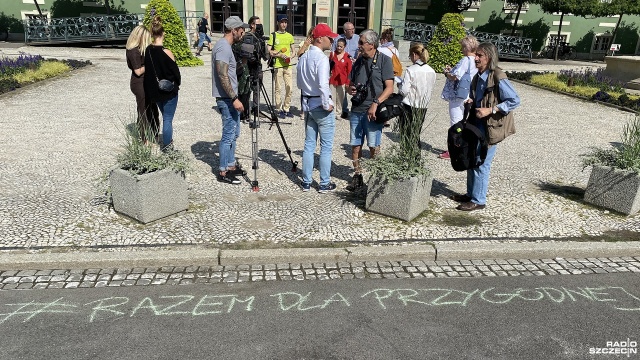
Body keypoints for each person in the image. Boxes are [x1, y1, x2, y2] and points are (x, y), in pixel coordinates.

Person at [451, 42, 520, 211]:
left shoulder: (497, 75)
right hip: (477, 126)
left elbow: (514, 100)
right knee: (472, 159)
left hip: (490, 128)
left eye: (480, 55)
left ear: (489, 57)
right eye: (476, 55)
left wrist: (491, 109)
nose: (476, 58)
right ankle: (470, 194)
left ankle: (478, 200)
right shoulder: (478, 75)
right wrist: (473, 101)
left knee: (482, 163)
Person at [345, 29, 395, 192]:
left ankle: (375, 177)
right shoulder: (358, 60)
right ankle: (357, 175)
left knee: (373, 146)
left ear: (371, 45)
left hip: (373, 112)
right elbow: (349, 84)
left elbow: (389, 88)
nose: (358, 45)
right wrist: (349, 89)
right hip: (357, 109)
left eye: (361, 43)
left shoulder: (384, 60)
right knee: (355, 146)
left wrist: (376, 102)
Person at [297, 23, 339, 193]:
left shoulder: (304, 56)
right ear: (320, 39)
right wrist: (327, 103)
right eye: (329, 37)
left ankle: (306, 182)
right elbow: (323, 84)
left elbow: (299, 82)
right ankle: (324, 183)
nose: (332, 40)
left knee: (309, 145)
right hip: (320, 105)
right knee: (326, 147)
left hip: (308, 104)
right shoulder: (321, 58)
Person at [212, 16, 251, 185]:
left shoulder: (227, 47)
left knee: (234, 133)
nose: (243, 32)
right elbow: (222, 74)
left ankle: (231, 165)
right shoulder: (223, 48)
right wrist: (234, 98)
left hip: (230, 98)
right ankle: (223, 171)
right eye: (241, 29)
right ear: (233, 30)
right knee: (228, 135)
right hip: (227, 99)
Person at [143, 16, 181, 151]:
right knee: (168, 119)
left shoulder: (148, 50)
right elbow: (176, 73)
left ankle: (167, 141)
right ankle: (167, 146)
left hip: (156, 91)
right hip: (169, 90)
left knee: (165, 116)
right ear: (163, 33)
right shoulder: (167, 52)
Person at [439, 35, 479, 159]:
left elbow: (456, 76)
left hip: (459, 95)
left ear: (467, 48)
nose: (462, 49)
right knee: (465, 122)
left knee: (456, 122)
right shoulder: (477, 61)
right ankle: (464, 147)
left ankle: (454, 150)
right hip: (469, 95)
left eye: (463, 47)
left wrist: (447, 73)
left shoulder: (465, 60)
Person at [397, 43, 437, 154]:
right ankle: (415, 156)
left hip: (409, 104)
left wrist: (399, 86)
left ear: (414, 55)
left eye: (410, 56)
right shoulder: (431, 71)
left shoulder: (411, 70)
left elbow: (404, 91)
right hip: (423, 105)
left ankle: (407, 155)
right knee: (416, 132)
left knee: (406, 133)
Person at [125, 25, 158, 143]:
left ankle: (154, 134)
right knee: (143, 109)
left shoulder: (139, 48)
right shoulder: (133, 51)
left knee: (152, 108)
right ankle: (145, 138)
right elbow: (138, 71)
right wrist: (149, 64)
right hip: (138, 83)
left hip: (146, 81)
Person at [268, 15, 295, 119]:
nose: (284, 24)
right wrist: (279, 55)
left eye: (286, 22)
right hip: (278, 66)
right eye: (282, 22)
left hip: (288, 66)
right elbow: (269, 51)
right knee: (278, 88)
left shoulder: (290, 36)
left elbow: (294, 52)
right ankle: (278, 109)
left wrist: (289, 56)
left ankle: (286, 108)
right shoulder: (273, 35)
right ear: (278, 23)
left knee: (290, 88)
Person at [333, 22, 360, 119]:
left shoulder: (358, 38)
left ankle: (356, 108)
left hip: (356, 68)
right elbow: (333, 53)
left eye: (353, 28)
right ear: (345, 31)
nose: (353, 31)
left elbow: (362, 51)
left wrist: (357, 58)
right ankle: (344, 110)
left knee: (355, 89)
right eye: (350, 29)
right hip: (342, 68)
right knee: (342, 90)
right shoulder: (338, 39)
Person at [244, 16, 267, 120]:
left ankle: (256, 109)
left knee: (257, 89)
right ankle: (245, 111)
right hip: (248, 68)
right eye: (257, 24)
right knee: (247, 90)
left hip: (257, 67)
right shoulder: (247, 36)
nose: (260, 26)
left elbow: (265, 55)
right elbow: (246, 54)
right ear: (252, 25)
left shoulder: (260, 38)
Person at [329, 38, 352, 121]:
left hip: (342, 80)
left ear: (344, 47)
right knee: (332, 97)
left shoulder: (347, 57)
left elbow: (349, 71)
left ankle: (339, 113)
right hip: (332, 79)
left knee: (340, 98)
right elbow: (329, 66)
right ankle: (332, 113)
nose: (338, 48)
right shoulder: (332, 54)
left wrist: (348, 83)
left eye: (341, 46)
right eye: (338, 46)